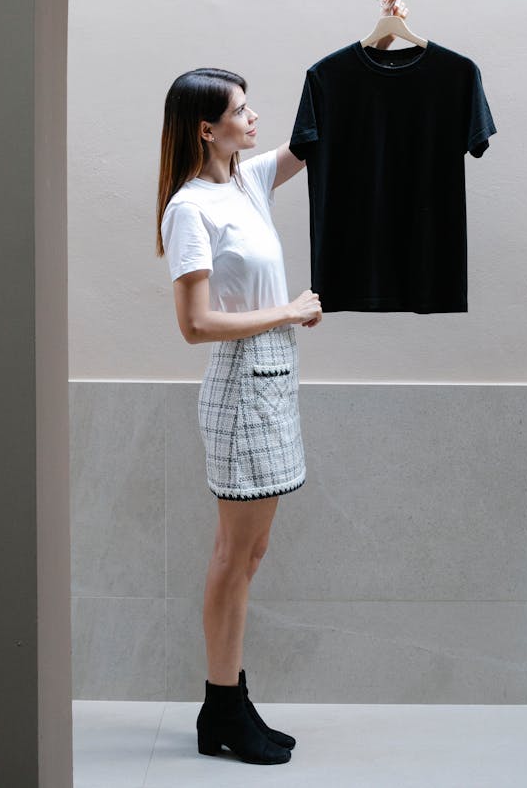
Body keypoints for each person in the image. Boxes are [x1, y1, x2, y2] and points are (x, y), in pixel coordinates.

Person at [156, 67, 322, 765]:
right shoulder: (191, 207)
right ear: (205, 127)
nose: (255, 118)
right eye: (241, 109)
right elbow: (194, 325)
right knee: (233, 556)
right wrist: (286, 310)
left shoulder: (246, 183)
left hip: (274, 383)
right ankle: (221, 705)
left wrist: (380, 32)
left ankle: (229, 698)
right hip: (239, 388)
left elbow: (317, 137)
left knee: (251, 554)